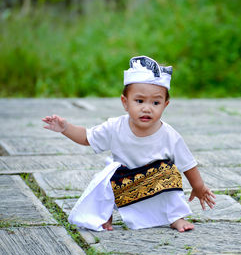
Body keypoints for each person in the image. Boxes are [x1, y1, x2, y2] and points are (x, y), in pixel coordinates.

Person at [42, 55, 215, 232]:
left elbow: (188, 164)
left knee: (169, 172)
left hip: (153, 182)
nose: (147, 108)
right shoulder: (115, 127)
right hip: (122, 183)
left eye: (156, 102)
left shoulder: (169, 135)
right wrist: (65, 128)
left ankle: (176, 217)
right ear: (125, 102)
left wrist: (198, 187)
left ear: (165, 105)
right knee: (103, 180)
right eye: (139, 101)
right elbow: (87, 137)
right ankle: (104, 215)